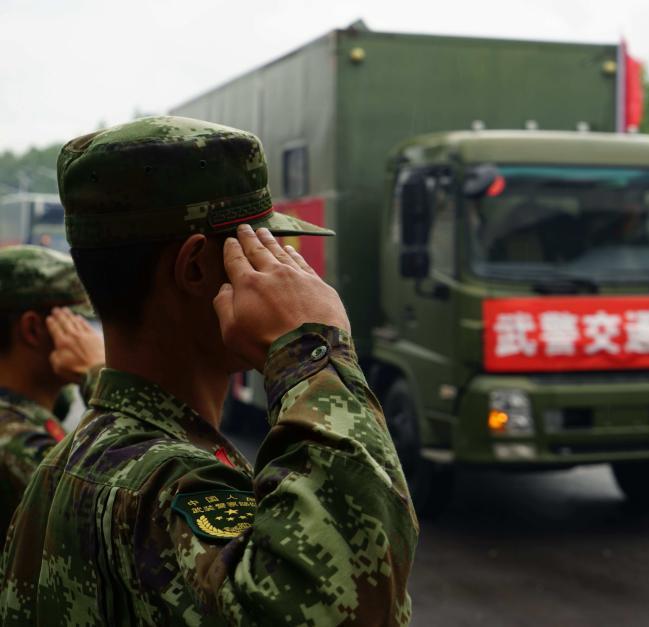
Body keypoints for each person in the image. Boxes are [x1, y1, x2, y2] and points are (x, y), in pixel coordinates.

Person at [0, 116, 418, 625]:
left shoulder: (70, 463)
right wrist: (315, 350)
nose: (286, 272)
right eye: (261, 249)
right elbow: (340, 604)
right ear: (195, 268)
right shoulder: (168, 484)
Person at [0, 246, 104, 544]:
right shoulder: (15, 444)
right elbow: (121, 515)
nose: (89, 335)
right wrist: (99, 375)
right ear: (32, 328)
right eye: (76, 320)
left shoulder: (22, 416)